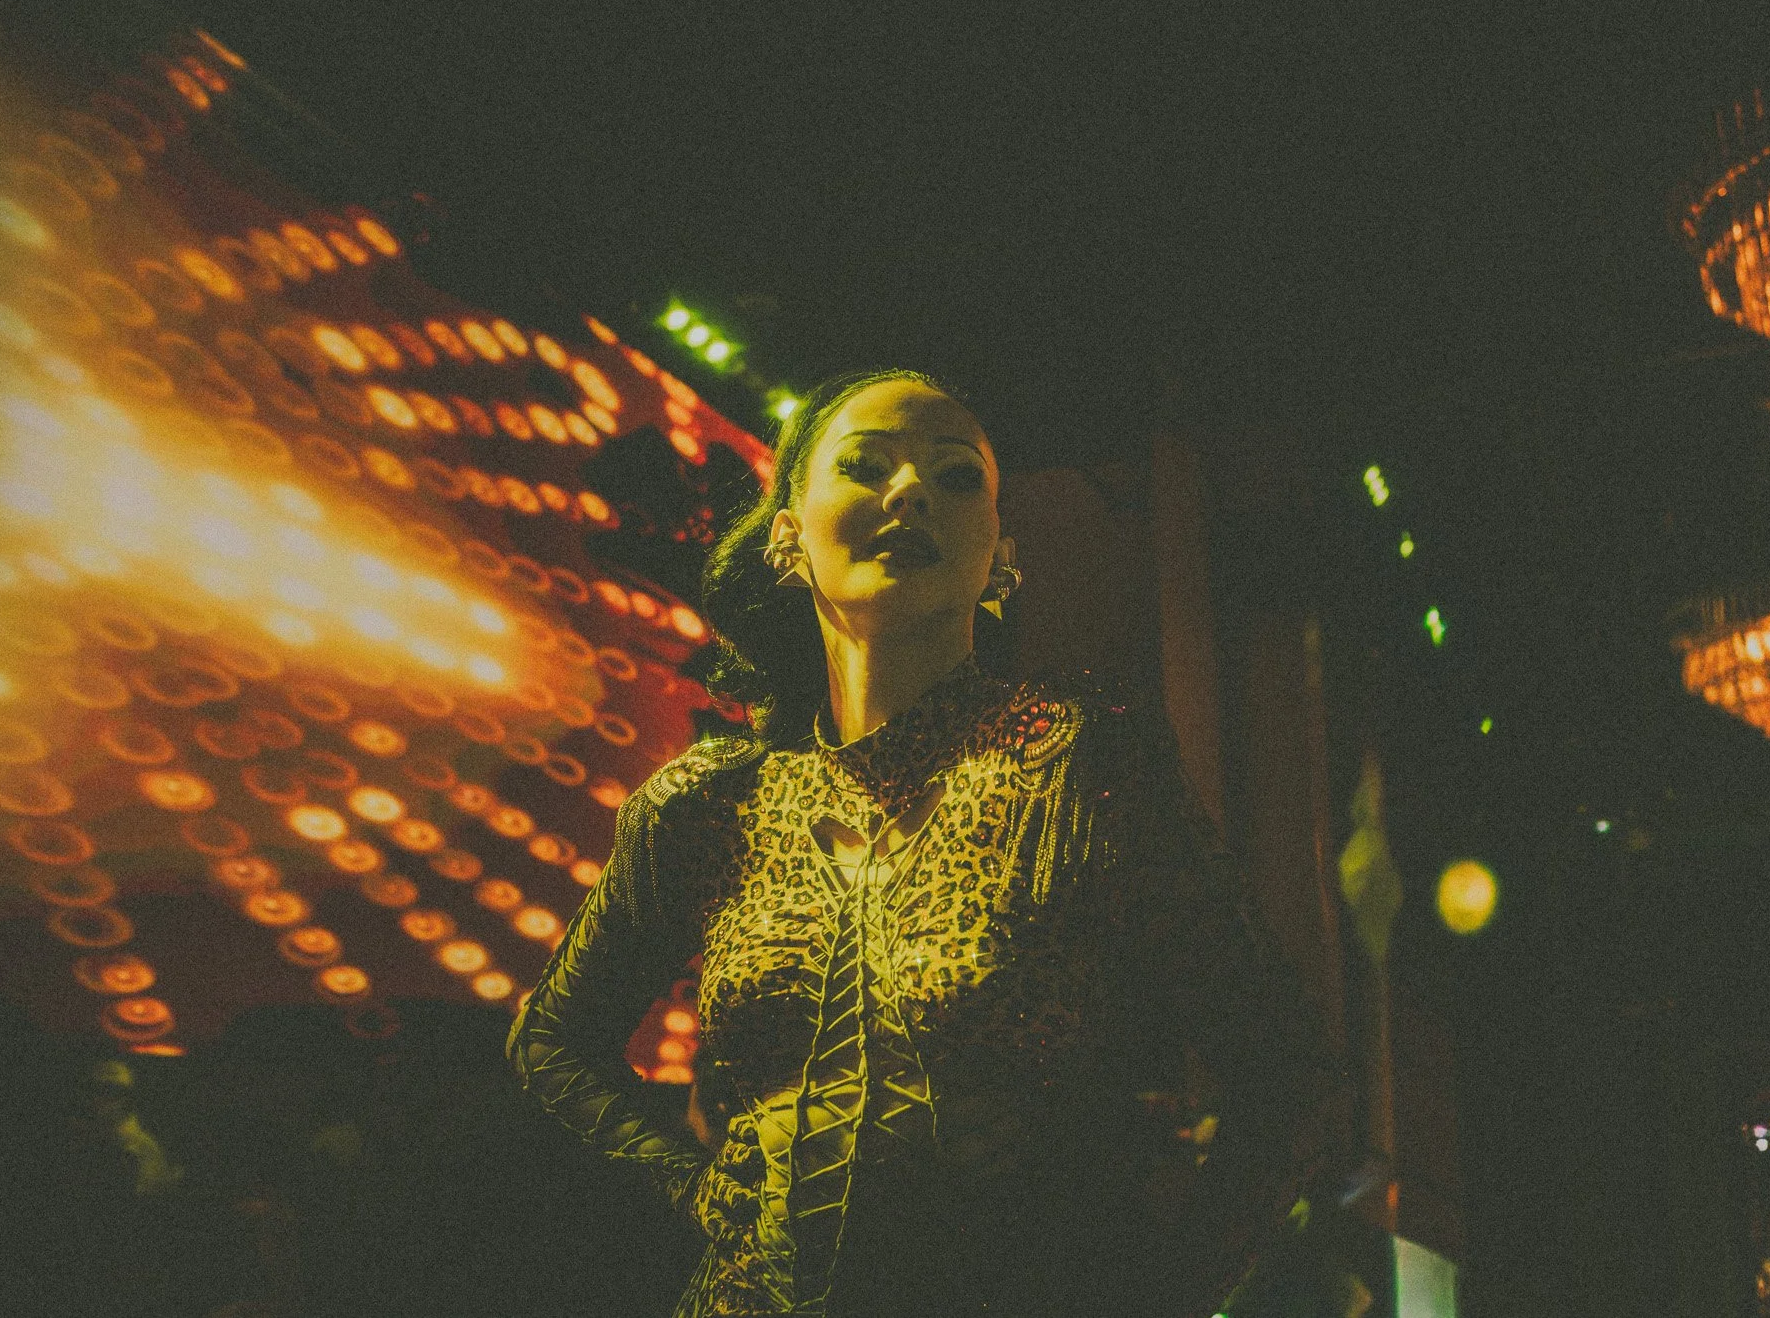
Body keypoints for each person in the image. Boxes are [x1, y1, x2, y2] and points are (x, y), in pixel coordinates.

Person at [509, 369, 1340, 1317]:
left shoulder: (1073, 765)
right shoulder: (709, 803)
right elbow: (552, 1043)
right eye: (865, 466)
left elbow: (1288, 1077)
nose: (911, 491)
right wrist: (692, 1186)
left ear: (1000, 555)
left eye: (956, 478)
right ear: (788, 534)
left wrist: (1156, 1289)